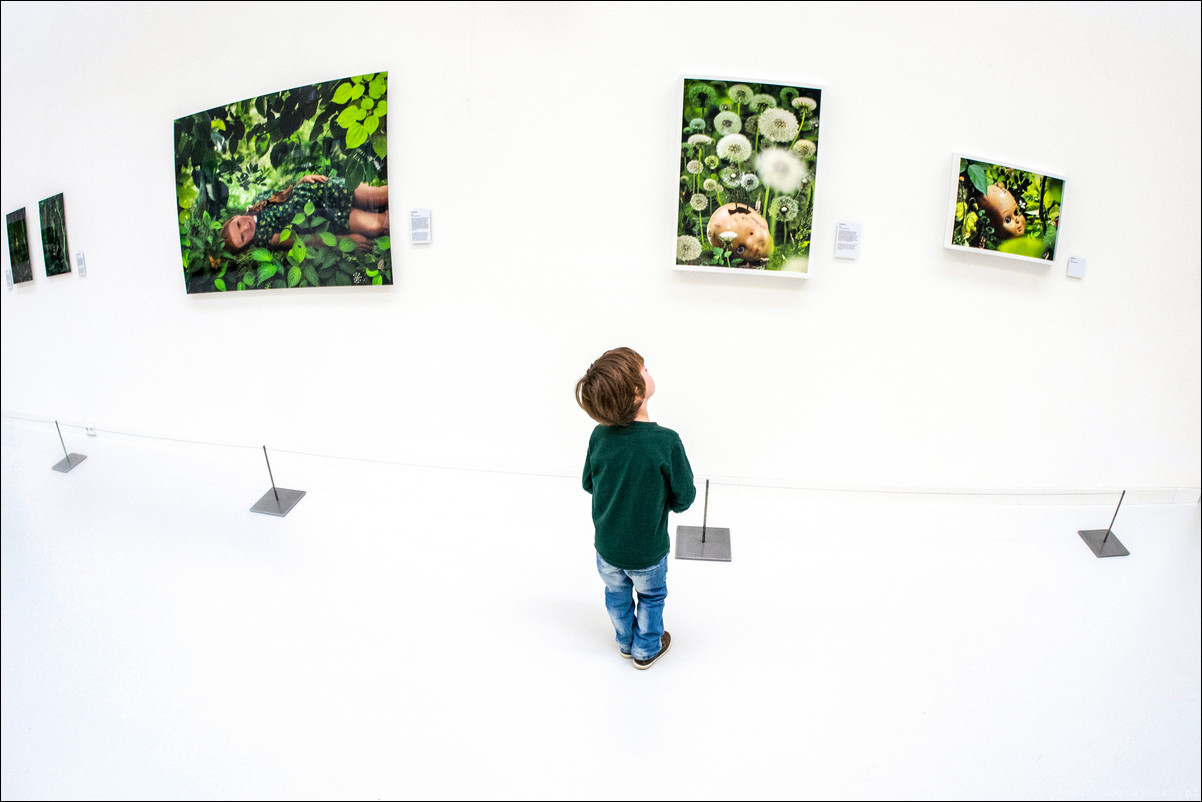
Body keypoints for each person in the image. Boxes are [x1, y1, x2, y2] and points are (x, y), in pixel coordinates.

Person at [576, 347, 696, 669]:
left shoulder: (599, 437)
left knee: (616, 595)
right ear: (637, 392)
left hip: (607, 551)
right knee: (652, 598)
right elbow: (684, 498)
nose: (649, 372)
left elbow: (589, 483)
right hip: (648, 553)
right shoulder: (666, 442)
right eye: (645, 370)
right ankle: (645, 649)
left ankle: (625, 642)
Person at [221, 174, 389, 253]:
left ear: (235, 217)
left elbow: (284, 196)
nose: (245, 229)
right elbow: (303, 241)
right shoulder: (266, 237)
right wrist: (342, 241)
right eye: (242, 238)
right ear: (245, 245)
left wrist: (301, 181)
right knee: (378, 225)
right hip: (328, 215)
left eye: (238, 225)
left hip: (323, 190)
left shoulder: (257, 200)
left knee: (380, 195)